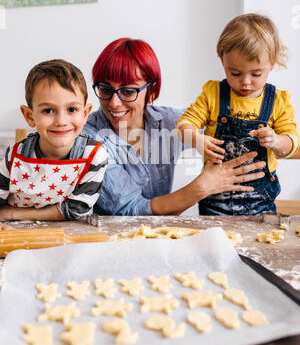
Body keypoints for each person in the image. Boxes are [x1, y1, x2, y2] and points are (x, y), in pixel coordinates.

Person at [83, 37, 267, 216]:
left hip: (162, 237)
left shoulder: (170, 122)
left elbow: (224, 126)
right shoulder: (88, 139)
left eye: (128, 91)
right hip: (112, 240)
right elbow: (132, 209)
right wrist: (201, 188)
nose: (114, 103)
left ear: (152, 90)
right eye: (105, 89)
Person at [177, 13, 300, 215]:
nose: (245, 82)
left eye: (256, 74)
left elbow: (291, 142)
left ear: (272, 64)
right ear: (222, 59)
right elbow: (184, 126)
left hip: (260, 203)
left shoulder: (278, 100)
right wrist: (197, 139)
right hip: (215, 200)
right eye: (235, 73)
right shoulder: (213, 94)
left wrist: (276, 141)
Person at [0, 59, 108, 221]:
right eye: (48, 110)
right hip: (15, 232)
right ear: (30, 116)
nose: (61, 121)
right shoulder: (15, 157)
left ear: (85, 114)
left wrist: (12, 214)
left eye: (72, 109)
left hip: (68, 235)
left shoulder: (93, 157)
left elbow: (76, 209)